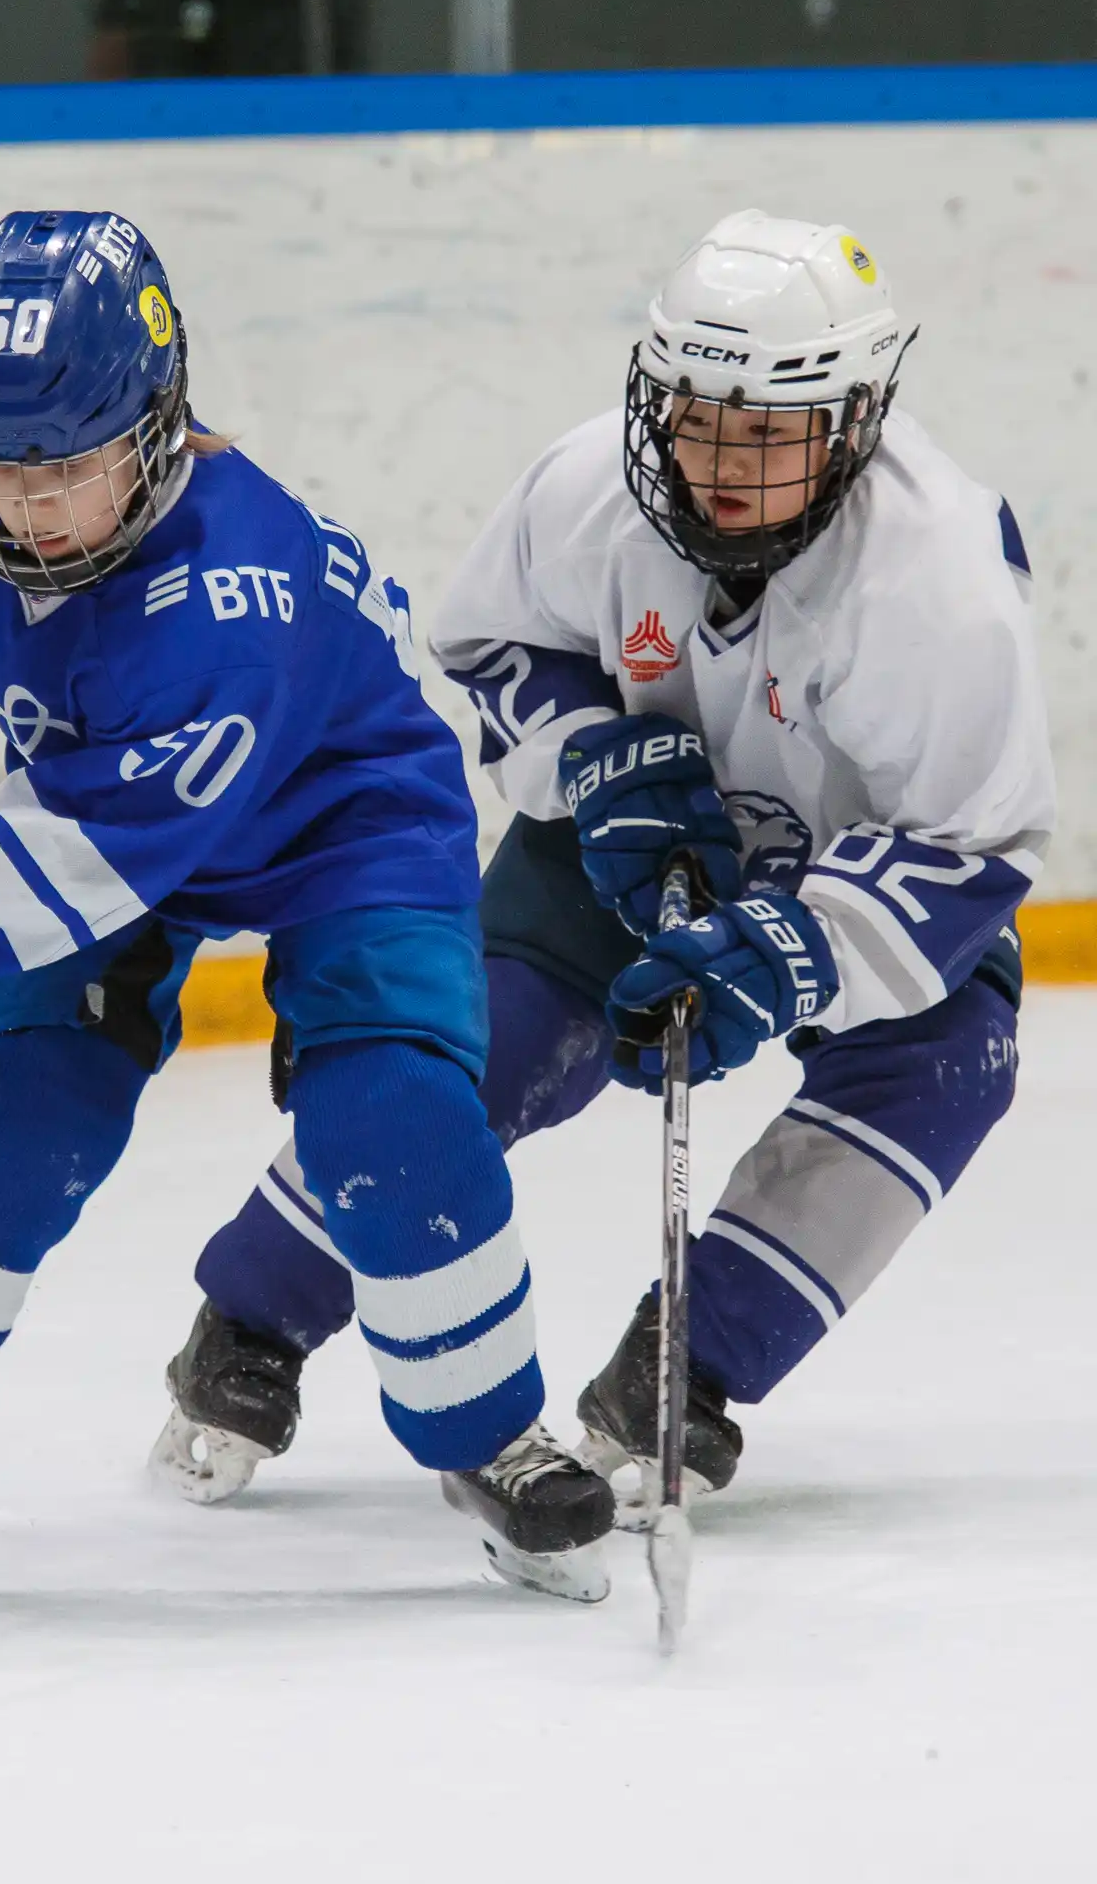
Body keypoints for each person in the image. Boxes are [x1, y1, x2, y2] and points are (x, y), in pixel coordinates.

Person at [0, 207, 618, 1606]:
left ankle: (493, 1434)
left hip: (341, 823)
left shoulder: (225, 614)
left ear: (160, 431)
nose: (23, 506)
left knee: (391, 1119)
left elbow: (65, 867)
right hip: (114, 789)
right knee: (28, 1113)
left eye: (64, 469)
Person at [153, 208, 1055, 1526]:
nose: (721, 462)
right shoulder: (589, 489)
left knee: (944, 1069)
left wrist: (794, 948)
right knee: (480, 1043)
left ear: (855, 417)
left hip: (845, 878)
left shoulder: (939, 583)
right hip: (619, 853)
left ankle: (687, 1368)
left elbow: (971, 841)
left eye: (768, 430)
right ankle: (250, 1316)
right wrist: (592, 754)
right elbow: (488, 649)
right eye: (697, 417)